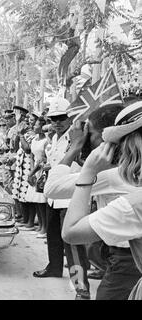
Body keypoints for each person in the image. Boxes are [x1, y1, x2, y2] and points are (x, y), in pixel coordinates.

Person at [47, 103, 140, 300]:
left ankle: (81, 290)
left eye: (92, 133)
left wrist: (76, 148)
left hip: (126, 260)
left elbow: (52, 189)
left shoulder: (117, 176)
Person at [32, 97, 91, 300]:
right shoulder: (55, 137)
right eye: (54, 118)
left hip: (72, 196)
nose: (57, 122)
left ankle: (81, 287)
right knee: (53, 238)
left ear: (70, 117)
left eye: (62, 118)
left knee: (72, 244)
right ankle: (54, 267)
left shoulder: (79, 136)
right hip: (55, 195)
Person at [26, 116, 48, 238]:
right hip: (34, 170)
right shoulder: (34, 139)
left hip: (41, 171)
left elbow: (42, 159)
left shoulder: (46, 141)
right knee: (36, 201)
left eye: (36, 125)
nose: (34, 126)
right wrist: (30, 172)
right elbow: (32, 157)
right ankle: (40, 225)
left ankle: (45, 227)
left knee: (41, 201)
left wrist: (33, 172)